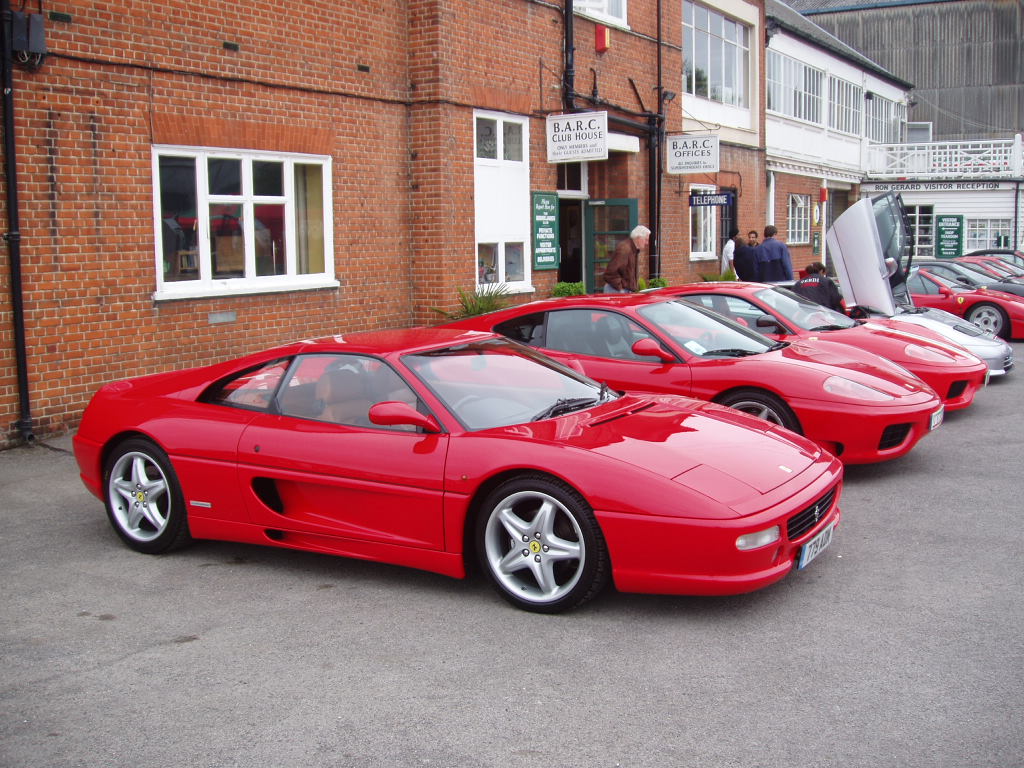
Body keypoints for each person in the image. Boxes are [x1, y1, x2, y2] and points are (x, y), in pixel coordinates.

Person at [603, 224, 650, 293]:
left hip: (622, 290)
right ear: (639, 238)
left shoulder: (632, 249)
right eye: (646, 239)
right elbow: (610, 273)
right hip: (616, 290)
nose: (647, 243)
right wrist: (621, 288)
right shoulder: (625, 249)